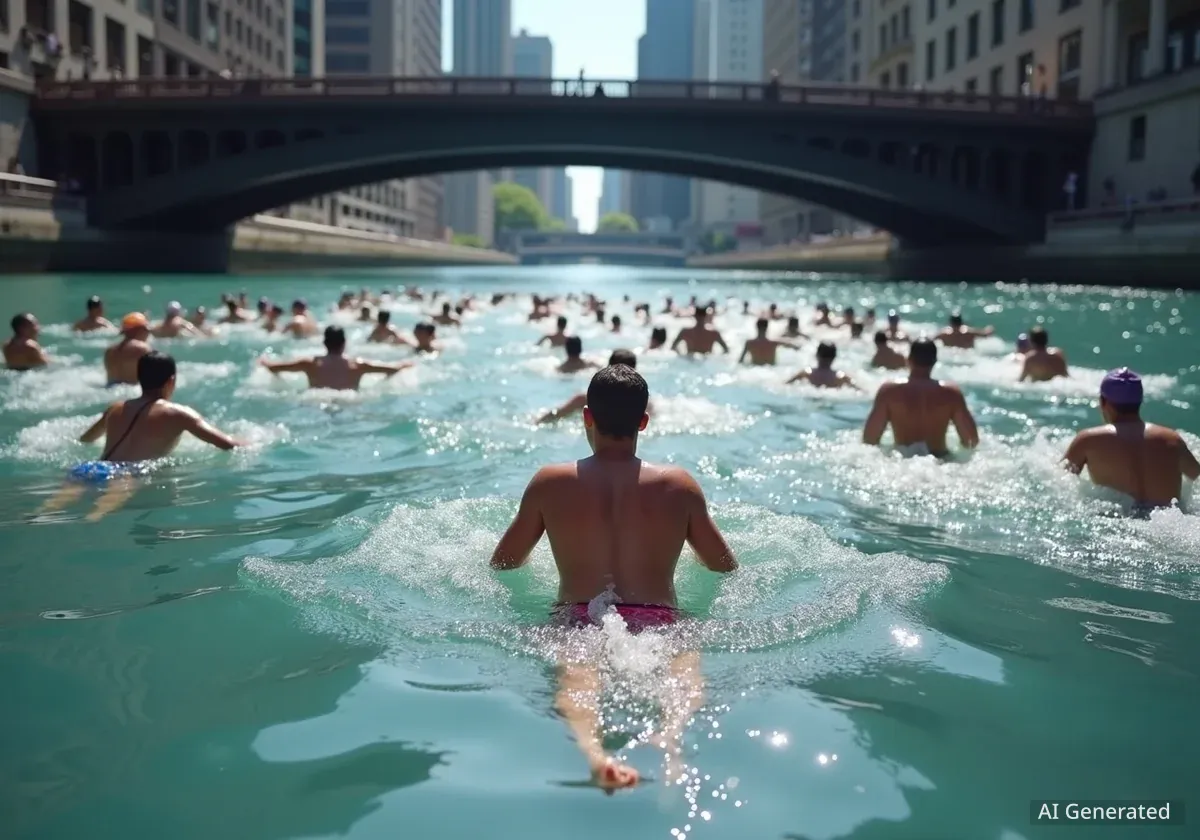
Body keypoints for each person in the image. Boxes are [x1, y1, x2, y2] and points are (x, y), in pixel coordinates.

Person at [491, 363, 736, 791]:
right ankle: (671, 739)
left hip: (580, 615)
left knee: (578, 676)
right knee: (683, 671)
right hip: (660, 618)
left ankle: (593, 752)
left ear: (587, 416)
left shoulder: (551, 482)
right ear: (644, 421)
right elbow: (723, 565)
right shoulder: (679, 485)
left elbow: (505, 562)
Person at [1063, 368, 1199, 511]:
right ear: (1140, 401)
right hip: (1170, 522)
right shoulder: (1172, 440)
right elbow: (1196, 475)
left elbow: (1061, 481)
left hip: (1116, 521)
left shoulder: (1088, 440)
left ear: (1103, 402)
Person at [78, 352, 245, 465]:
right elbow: (228, 444)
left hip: (89, 469)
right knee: (96, 515)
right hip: (125, 476)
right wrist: (257, 442)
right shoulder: (179, 414)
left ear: (139, 379)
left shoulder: (115, 408)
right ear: (171, 381)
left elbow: (86, 439)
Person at [862, 338, 979, 456]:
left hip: (903, 460)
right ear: (935, 362)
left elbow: (870, 439)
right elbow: (971, 441)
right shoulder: (952, 393)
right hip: (939, 461)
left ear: (909, 359)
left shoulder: (889, 391)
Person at [260, 326, 413, 391]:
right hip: (350, 406)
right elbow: (391, 370)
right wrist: (404, 365)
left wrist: (264, 362)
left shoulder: (309, 364)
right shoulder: (358, 365)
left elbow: (275, 368)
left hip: (315, 405)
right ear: (344, 344)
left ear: (324, 343)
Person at [539, 350, 654, 423]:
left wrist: (536, 422)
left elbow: (556, 415)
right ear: (635, 372)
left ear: (608, 369)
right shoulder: (644, 405)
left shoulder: (587, 400)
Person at [104, 313, 153, 385]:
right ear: (139, 329)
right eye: (146, 329)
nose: (148, 333)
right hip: (133, 390)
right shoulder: (143, 349)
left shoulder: (109, 350)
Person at [786, 342, 858, 390]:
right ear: (834, 357)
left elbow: (784, 385)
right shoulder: (841, 377)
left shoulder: (806, 373)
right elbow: (862, 391)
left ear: (817, 355)